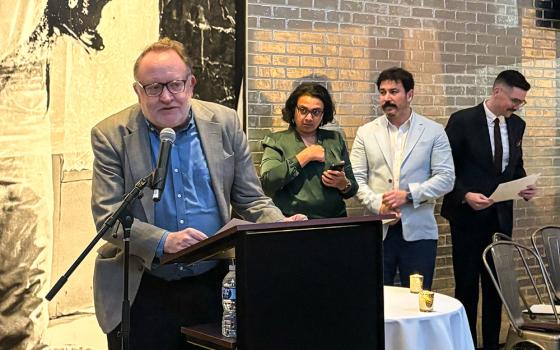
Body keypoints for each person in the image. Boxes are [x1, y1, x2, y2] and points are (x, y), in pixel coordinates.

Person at [90, 38, 305, 350]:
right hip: (142, 287)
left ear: (190, 84)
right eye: (153, 87)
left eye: (175, 84)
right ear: (138, 91)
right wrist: (164, 241)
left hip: (214, 285)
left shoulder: (226, 123)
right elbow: (108, 219)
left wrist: (279, 224)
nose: (166, 97)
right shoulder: (111, 135)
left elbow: (251, 199)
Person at [441, 70, 537, 350]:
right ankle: (466, 344)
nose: (517, 106)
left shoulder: (517, 125)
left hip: (500, 218)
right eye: (515, 100)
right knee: (467, 288)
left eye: (521, 102)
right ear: (497, 92)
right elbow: (445, 169)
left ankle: (492, 344)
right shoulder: (462, 121)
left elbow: (514, 165)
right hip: (467, 218)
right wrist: (464, 194)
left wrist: (524, 185)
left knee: (496, 288)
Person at [350, 67, 455, 289]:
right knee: (377, 298)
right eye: (382, 92)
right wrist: (379, 205)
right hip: (378, 230)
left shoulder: (433, 131)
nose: (387, 98)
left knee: (417, 299)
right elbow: (355, 179)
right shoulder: (366, 132)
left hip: (420, 232)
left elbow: (446, 177)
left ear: (410, 94)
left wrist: (408, 195)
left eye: (394, 91)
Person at [259, 82, 358, 218]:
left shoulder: (335, 139)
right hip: (293, 223)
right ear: (294, 110)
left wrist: (343, 184)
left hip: (335, 223)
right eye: (303, 110)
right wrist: (305, 156)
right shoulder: (276, 140)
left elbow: (352, 189)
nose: (309, 118)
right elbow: (267, 183)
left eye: (316, 112)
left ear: (323, 114)